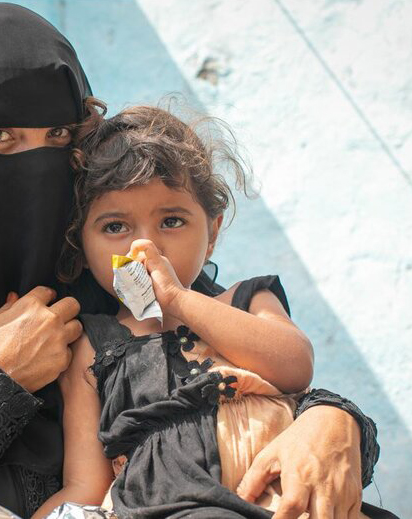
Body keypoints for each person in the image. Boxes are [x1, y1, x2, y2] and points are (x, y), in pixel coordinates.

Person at [0, 4, 380, 519]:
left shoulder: (131, 290)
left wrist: (336, 422)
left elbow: (254, 379)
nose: (36, 168)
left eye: (61, 137)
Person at [33, 105, 394, 519]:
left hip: (283, 497)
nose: (144, 247)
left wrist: (180, 300)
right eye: (115, 227)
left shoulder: (245, 300)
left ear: (213, 233)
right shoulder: (94, 346)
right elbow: (84, 485)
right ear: (82, 245)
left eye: (171, 220)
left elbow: (295, 366)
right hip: (173, 505)